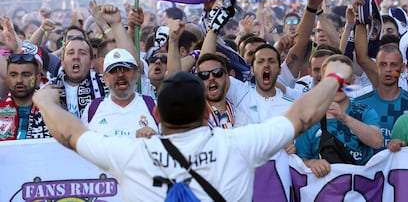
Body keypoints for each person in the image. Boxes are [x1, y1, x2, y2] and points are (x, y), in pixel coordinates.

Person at [32, 56, 353, 201]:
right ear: (204, 110)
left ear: (157, 112)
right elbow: (302, 116)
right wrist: (334, 77)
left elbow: (71, 134)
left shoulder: (131, 154)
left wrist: (46, 101)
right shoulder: (237, 144)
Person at [295, 54, 383, 177]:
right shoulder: (309, 118)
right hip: (324, 191)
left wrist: (345, 118)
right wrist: (313, 163)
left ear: (352, 82)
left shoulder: (364, 112)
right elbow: (299, 162)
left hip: (361, 191)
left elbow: (377, 141)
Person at [81, 48, 159, 138]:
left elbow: (170, 145)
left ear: (136, 74)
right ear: (105, 78)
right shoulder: (92, 109)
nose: (120, 75)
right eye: (114, 70)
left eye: (125, 69)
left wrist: (156, 138)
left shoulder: (153, 106)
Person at [0, 54, 50, 140]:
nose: (19, 80)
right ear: (7, 79)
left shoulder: (52, 112)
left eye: (26, 75)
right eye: (13, 75)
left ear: (37, 80)